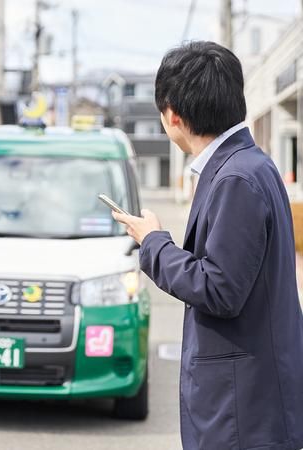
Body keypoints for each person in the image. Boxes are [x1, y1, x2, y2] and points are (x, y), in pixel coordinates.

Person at [112, 41, 303, 450]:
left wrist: (153, 242)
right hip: (251, 398)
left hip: (242, 410)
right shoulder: (250, 164)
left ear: (172, 116)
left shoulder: (236, 178)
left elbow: (219, 289)